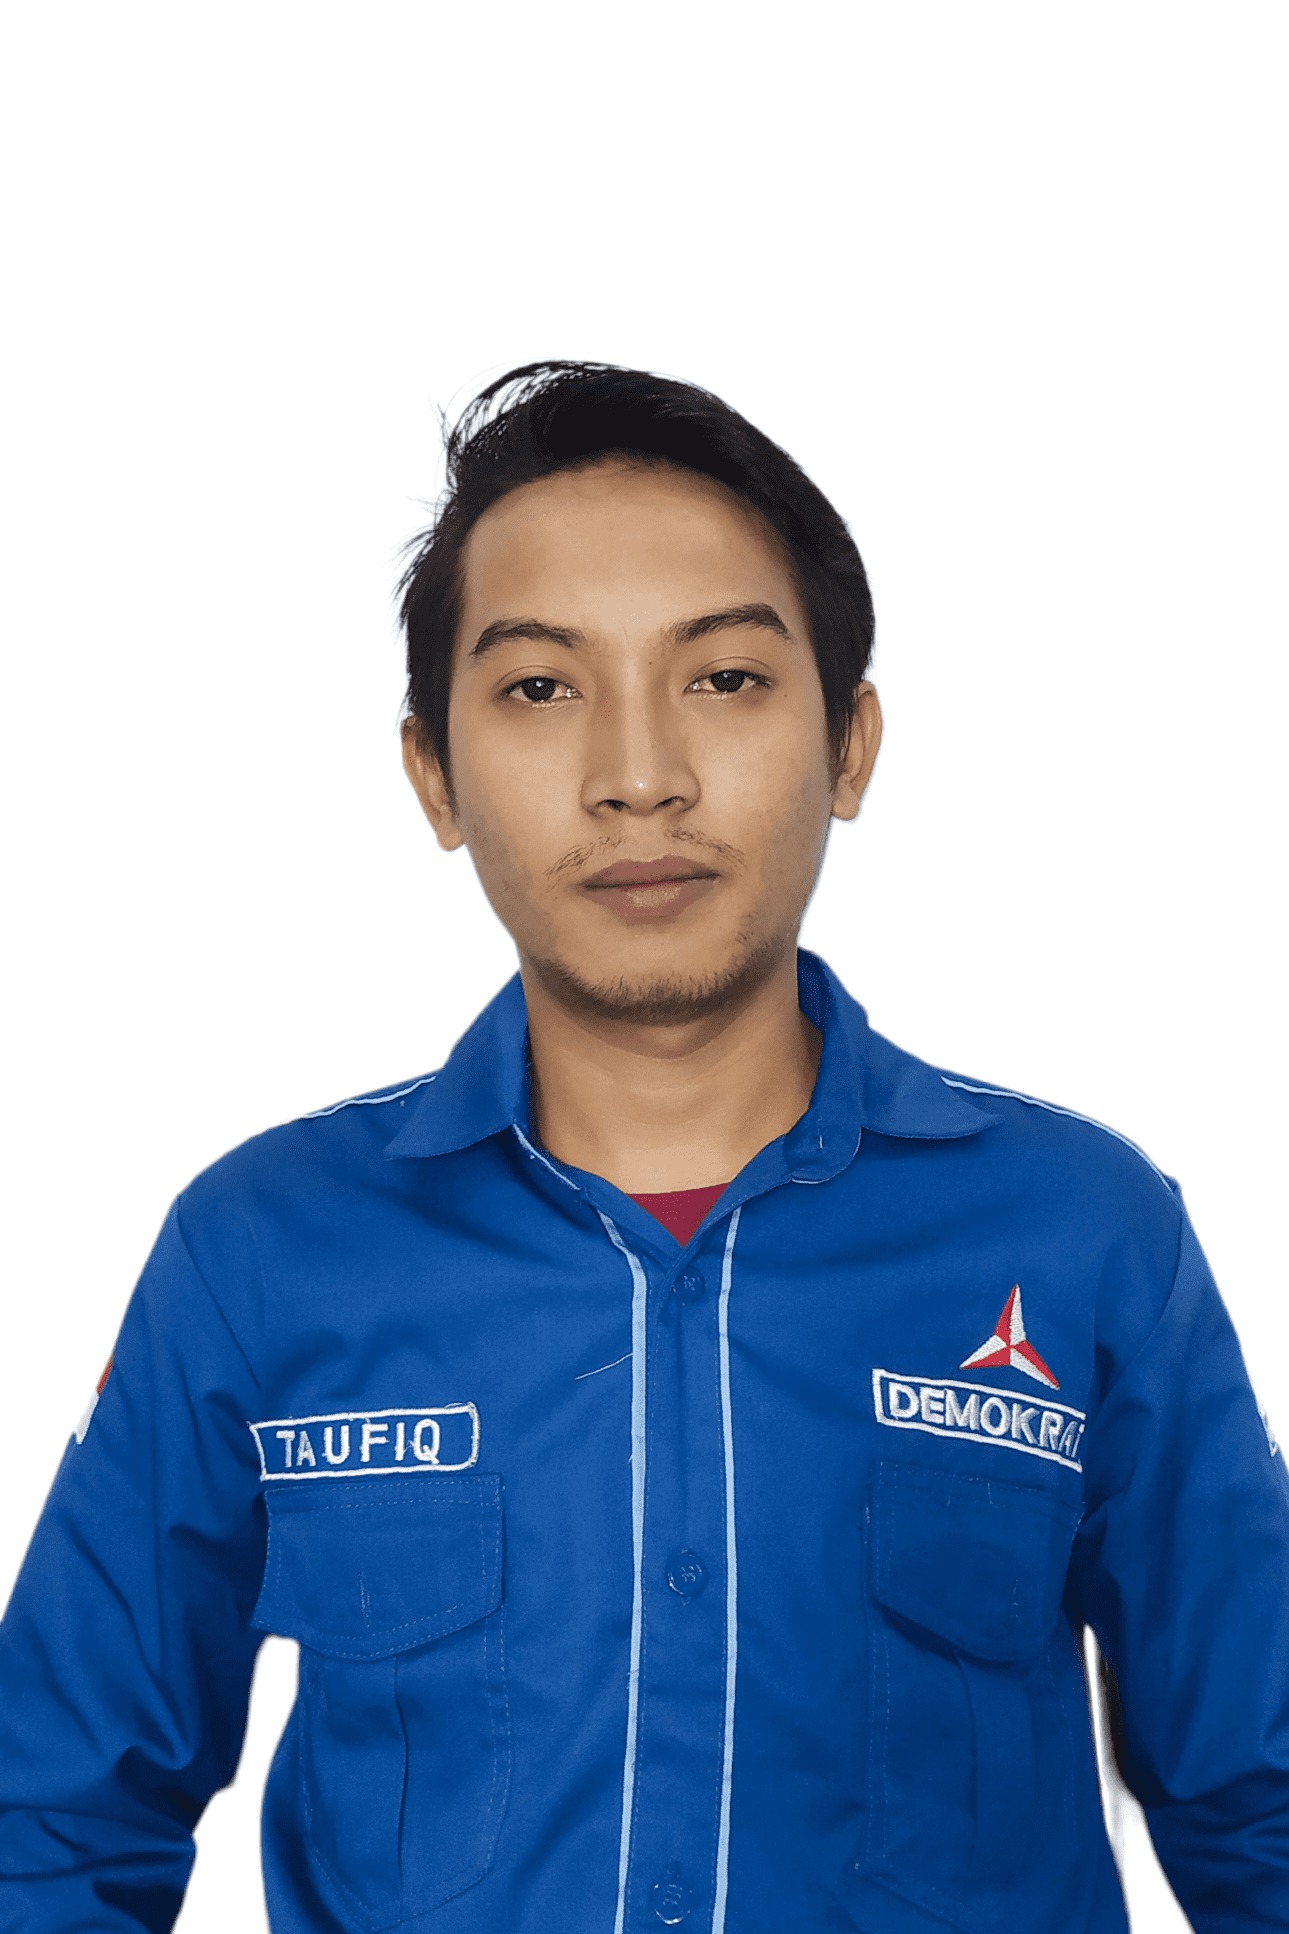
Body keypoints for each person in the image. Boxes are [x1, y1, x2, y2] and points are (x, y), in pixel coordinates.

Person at [1, 360, 1286, 1934]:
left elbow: (1262, 1798)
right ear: (433, 774)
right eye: (541, 688)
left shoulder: (1081, 1233)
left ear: (850, 743)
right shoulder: (262, 1251)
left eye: (724, 678)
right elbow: (51, 1815)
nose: (637, 777)